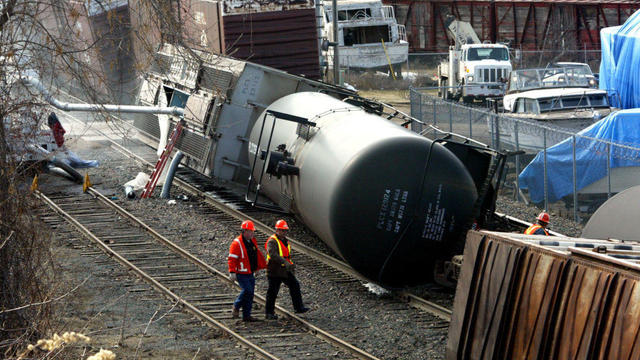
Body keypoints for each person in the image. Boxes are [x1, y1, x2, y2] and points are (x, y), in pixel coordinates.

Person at [264, 219, 309, 320]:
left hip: (284, 270)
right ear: (277, 230)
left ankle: (298, 307)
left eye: (285, 230)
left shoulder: (285, 241)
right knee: (273, 292)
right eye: (281, 230)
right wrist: (285, 262)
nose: (283, 232)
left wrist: (290, 265)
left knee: (295, 285)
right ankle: (269, 313)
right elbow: (273, 254)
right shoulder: (272, 241)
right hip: (274, 270)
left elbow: (286, 255)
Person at [228, 220, 266, 322]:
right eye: (249, 231)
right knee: (247, 290)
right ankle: (236, 305)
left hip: (250, 272)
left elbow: (254, 256)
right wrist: (232, 272)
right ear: (244, 231)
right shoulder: (237, 243)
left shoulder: (252, 241)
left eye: (252, 231)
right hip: (241, 272)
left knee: (250, 293)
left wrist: (257, 268)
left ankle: (246, 315)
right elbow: (232, 258)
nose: (251, 233)